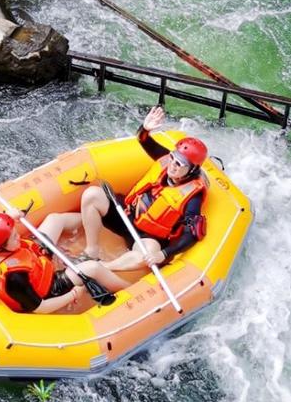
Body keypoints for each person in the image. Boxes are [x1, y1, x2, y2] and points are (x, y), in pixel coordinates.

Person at [40, 105, 209, 294]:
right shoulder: (165, 160)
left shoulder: (193, 197)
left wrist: (164, 254)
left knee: (146, 255)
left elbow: (192, 234)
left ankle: (104, 266)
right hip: (128, 214)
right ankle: (91, 251)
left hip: (149, 237)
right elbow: (143, 140)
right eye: (173, 158)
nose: (173, 166)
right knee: (92, 195)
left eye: (180, 164)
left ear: (192, 169)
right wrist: (146, 128)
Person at [0, 212, 87, 315]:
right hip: (49, 288)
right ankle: (105, 266)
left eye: (16, 233)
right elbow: (41, 308)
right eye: (13, 237)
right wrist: (74, 294)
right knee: (91, 267)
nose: (18, 236)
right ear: (0, 248)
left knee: (54, 219)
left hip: (35, 255)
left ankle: (89, 215)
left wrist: (6, 214)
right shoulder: (14, 277)